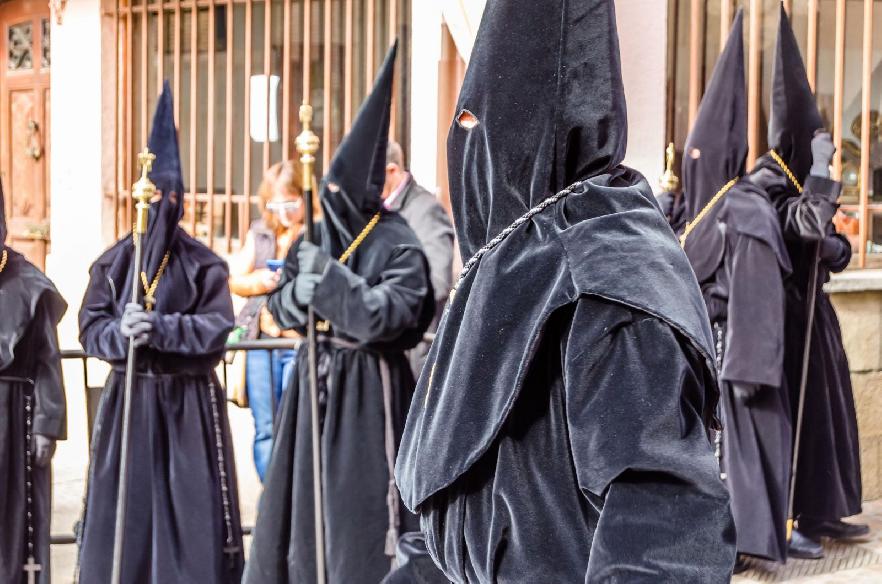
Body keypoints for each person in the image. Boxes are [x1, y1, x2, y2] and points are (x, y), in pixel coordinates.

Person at [395, 1, 735, 582]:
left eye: (482, 124)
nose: (469, 150)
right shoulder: (512, 260)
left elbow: (662, 541)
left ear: (533, 128)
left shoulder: (609, 275)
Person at [244, 42, 434, 584]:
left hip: (367, 397)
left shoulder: (399, 242)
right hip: (311, 387)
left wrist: (325, 282)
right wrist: (294, 293)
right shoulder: (320, 234)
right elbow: (279, 306)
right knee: (301, 517)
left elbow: (388, 317)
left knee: (354, 525)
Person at [76, 82, 244, 583]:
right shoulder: (113, 262)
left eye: (171, 195)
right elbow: (90, 327)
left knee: (188, 524)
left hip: (187, 407)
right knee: (125, 525)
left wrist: (163, 329)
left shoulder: (203, 264)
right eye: (154, 194)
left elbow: (218, 329)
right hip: (128, 404)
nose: (161, 203)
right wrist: (117, 333)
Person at [747, 5, 867, 556]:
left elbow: (826, 239)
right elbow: (799, 227)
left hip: (816, 315)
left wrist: (837, 246)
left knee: (829, 416)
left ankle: (824, 510)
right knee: (797, 421)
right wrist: (820, 181)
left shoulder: (797, 177)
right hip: (785, 320)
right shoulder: (768, 179)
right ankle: (792, 516)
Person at [678, 10, 794, 568]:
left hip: (732, 355)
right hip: (699, 351)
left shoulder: (745, 209)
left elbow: (757, 297)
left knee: (736, 457)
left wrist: (746, 369)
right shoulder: (697, 207)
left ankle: (740, 545)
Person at [0, 179, 67, 584]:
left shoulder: (29, 284)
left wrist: (47, 423)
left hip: (12, 421)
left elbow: (48, 360)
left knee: (12, 530)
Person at [229, 160, 308, 482]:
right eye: (276, 205)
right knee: (265, 427)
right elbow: (235, 279)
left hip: (298, 340)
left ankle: (294, 500)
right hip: (262, 341)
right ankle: (270, 496)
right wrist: (260, 281)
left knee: (298, 425)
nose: (284, 212)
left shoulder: (317, 233)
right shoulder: (260, 233)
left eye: (290, 203)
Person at [382, 141, 454, 377]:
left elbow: (438, 281)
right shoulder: (378, 209)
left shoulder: (425, 209)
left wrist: (390, 308)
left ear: (392, 171)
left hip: (415, 352)